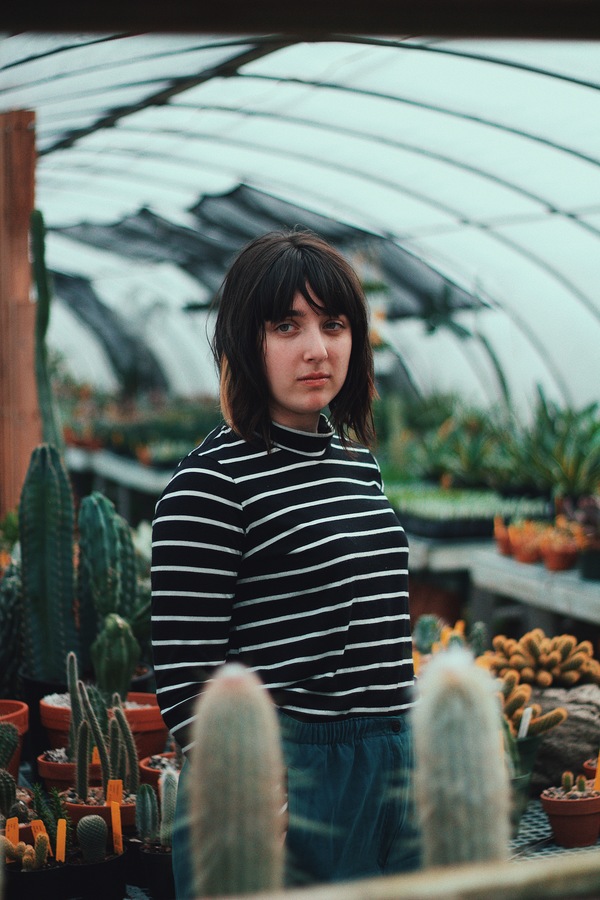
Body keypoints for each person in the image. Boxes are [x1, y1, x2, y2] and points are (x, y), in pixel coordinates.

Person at [151, 229, 420, 896]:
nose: (316, 349)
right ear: (246, 340)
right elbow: (185, 671)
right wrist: (249, 788)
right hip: (281, 775)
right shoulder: (210, 483)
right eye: (286, 326)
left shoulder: (359, 466)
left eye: (333, 325)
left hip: (389, 763)